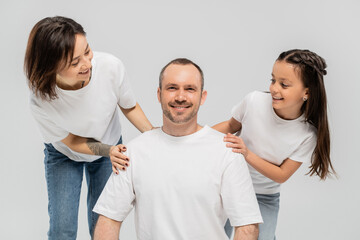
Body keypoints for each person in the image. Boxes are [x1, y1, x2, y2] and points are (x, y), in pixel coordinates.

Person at [93, 58, 263, 240]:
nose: (180, 97)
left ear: (202, 96)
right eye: (172, 88)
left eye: (190, 89)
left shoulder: (226, 151)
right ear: (159, 94)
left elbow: (247, 226)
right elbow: (108, 220)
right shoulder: (133, 153)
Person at [24, 16, 153, 240]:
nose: (87, 63)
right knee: (62, 230)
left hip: (110, 148)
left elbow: (129, 106)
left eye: (88, 50)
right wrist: (107, 150)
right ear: (50, 67)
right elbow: (73, 141)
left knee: (102, 226)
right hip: (64, 154)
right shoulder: (41, 100)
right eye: (74, 63)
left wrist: (154, 136)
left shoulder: (111, 67)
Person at [213, 49, 336, 240]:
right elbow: (230, 125)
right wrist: (197, 136)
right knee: (215, 233)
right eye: (273, 80)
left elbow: (281, 175)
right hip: (230, 184)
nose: (274, 89)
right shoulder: (254, 101)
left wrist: (247, 153)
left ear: (306, 92)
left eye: (284, 84)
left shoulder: (307, 134)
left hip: (265, 196)